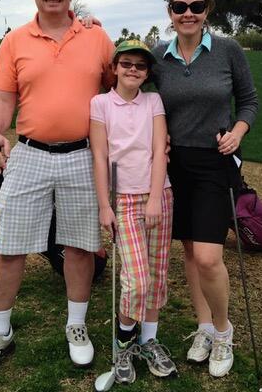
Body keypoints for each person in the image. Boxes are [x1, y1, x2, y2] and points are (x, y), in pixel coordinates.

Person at [0, 0, 114, 379]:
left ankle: (76, 325)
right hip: (29, 153)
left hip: (82, 155)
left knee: (81, 245)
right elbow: (3, 97)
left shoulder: (97, 37)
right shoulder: (15, 40)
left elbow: (119, 86)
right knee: (10, 246)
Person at [151, 0, 259, 378]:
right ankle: (202, 328)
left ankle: (223, 331)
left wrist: (239, 131)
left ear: (207, 10)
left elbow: (248, 100)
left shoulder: (228, 49)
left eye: (196, 7)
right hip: (176, 163)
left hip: (216, 160)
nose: (188, 14)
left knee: (211, 256)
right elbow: (124, 79)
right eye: (180, 7)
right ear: (170, 12)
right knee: (192, 253)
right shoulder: (159, 56)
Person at [89, 40, 176, 384]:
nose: (133, 70)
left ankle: (149, 341)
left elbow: (159, 149)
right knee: (136, 280)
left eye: (140, 66)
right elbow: (99, 155)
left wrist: (155, 197)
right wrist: (104, 205)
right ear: (115, 67)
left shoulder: (153, 101)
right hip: (122, 199)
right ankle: (124, 342)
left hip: (159, 196)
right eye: (126, 64)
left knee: (155, 277)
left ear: (147, 73)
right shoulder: (100, 104)